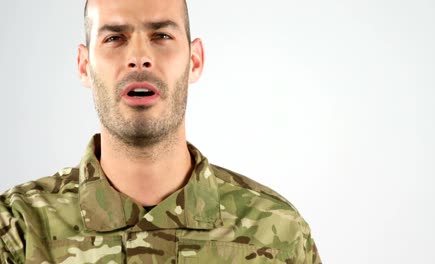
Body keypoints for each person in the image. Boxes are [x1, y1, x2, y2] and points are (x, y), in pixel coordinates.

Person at [0, 0, 322, 263]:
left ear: (195, 60)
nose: (139, 58)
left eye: (161, 36)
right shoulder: (18, 231)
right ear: (84, 65)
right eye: (114, 38)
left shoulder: (276, 232)